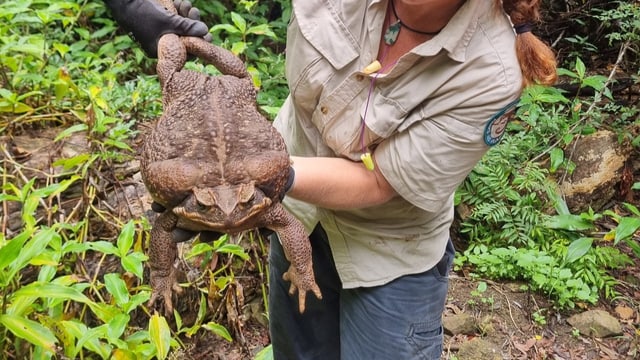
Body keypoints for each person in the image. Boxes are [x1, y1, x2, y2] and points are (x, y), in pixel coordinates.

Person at [107, 0, 557, 359]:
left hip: (386, 250)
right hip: (295, 214)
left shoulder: (492, 70)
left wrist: (261, 184)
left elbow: (381, 182)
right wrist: (145, 7)